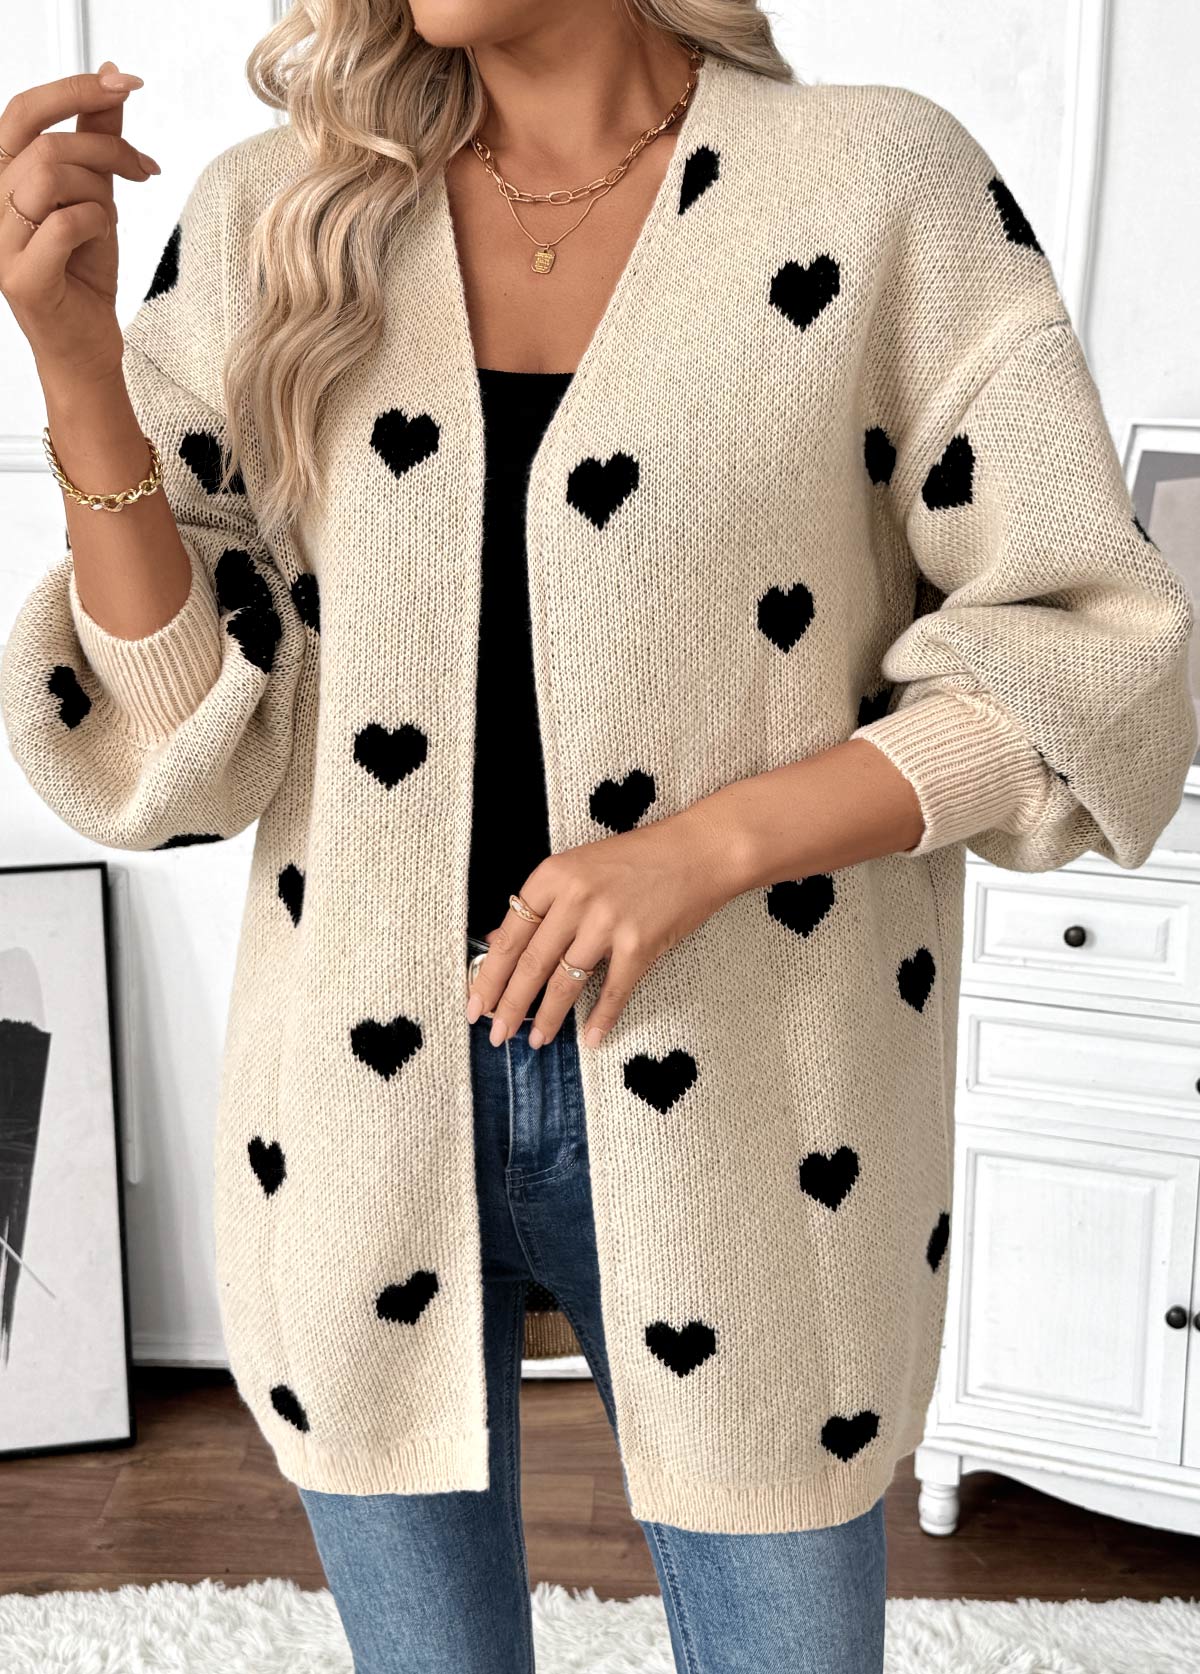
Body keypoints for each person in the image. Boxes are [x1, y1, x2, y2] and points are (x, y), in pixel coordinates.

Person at [0, 4, 1193, 1671]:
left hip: (760, 1099)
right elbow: (187, 735)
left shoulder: (876, 187)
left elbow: (1097, 647)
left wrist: (702, 849)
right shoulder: (287, 211)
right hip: (358, 1106)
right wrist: (76, 368)